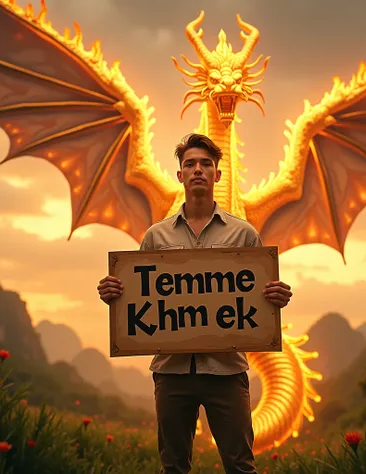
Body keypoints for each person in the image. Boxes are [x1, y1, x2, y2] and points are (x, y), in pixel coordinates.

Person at [97, 133, 293, 474]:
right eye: (190, 164)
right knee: (172, 466)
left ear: (218, 174)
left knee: (241, 466)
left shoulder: (243, 235)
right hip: (171, 372)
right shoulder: (156, 237)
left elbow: (258, 297)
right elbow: (141, 298)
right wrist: (114, 292)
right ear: (180, 175)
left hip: (227, 370)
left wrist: (277, 298)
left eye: (206, 164)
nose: (198, 170)